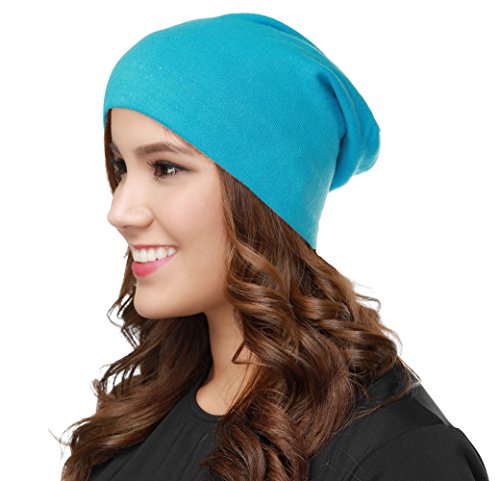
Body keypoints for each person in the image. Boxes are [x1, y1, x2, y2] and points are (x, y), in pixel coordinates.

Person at [58, 12, 490, 481]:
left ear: (262, 196)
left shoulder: (397, 452)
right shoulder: (139, 417)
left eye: (165, 168)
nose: (120, 210)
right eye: (121, 167)